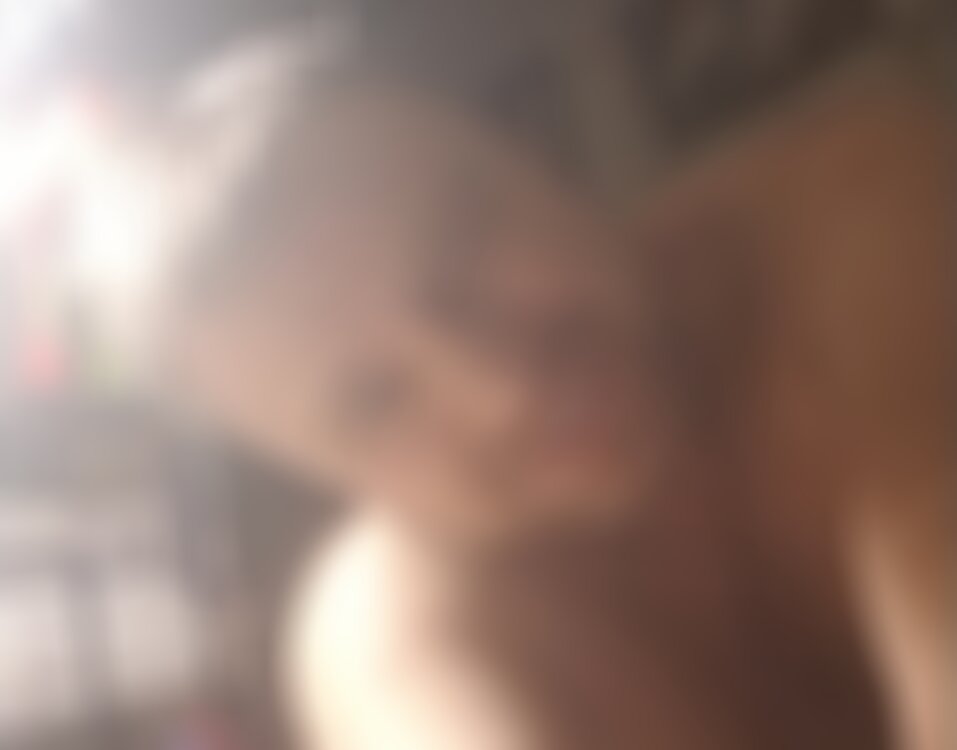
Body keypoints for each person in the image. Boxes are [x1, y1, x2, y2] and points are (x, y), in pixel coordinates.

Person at [164, 35, 952, 750]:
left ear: (537, 159)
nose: (499, 389)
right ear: (348, 485)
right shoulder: (388, 638)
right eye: (375, 401)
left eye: (467, 243)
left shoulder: (843, 214)